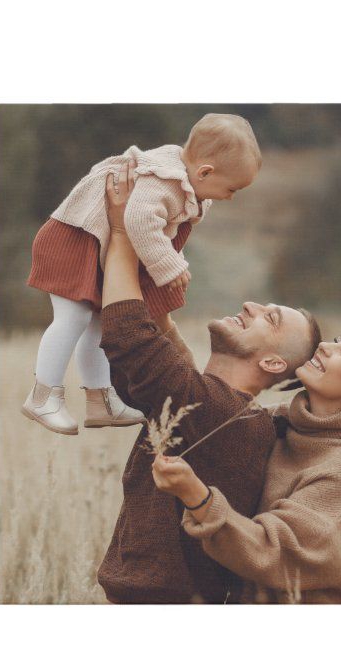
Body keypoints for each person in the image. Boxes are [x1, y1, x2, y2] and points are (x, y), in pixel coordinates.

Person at [96, 162, 322, 604]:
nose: (250, 304)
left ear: (274, 362)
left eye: (269, 318)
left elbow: (130, 340)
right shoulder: (220, 406)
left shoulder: (226, 414)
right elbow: (159, 366)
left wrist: (123, 235)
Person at [152, 328, 341, 604]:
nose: (325, 346)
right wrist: (164, 326)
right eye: (336, 339)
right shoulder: (279, 423)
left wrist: (197, 497)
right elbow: (201, 400)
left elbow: (275, 552)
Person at [22, 113, 261, 435]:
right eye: (232, 188)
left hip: (95, 245)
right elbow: (138, 221)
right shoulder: (162, 180)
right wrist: (168, 265)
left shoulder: (187, 184)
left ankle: (100, 399)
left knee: (101, 322)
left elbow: (164, 230)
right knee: (73, 318)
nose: (231, 197)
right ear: (205, 172)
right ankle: (43, 397)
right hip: (74, 239)